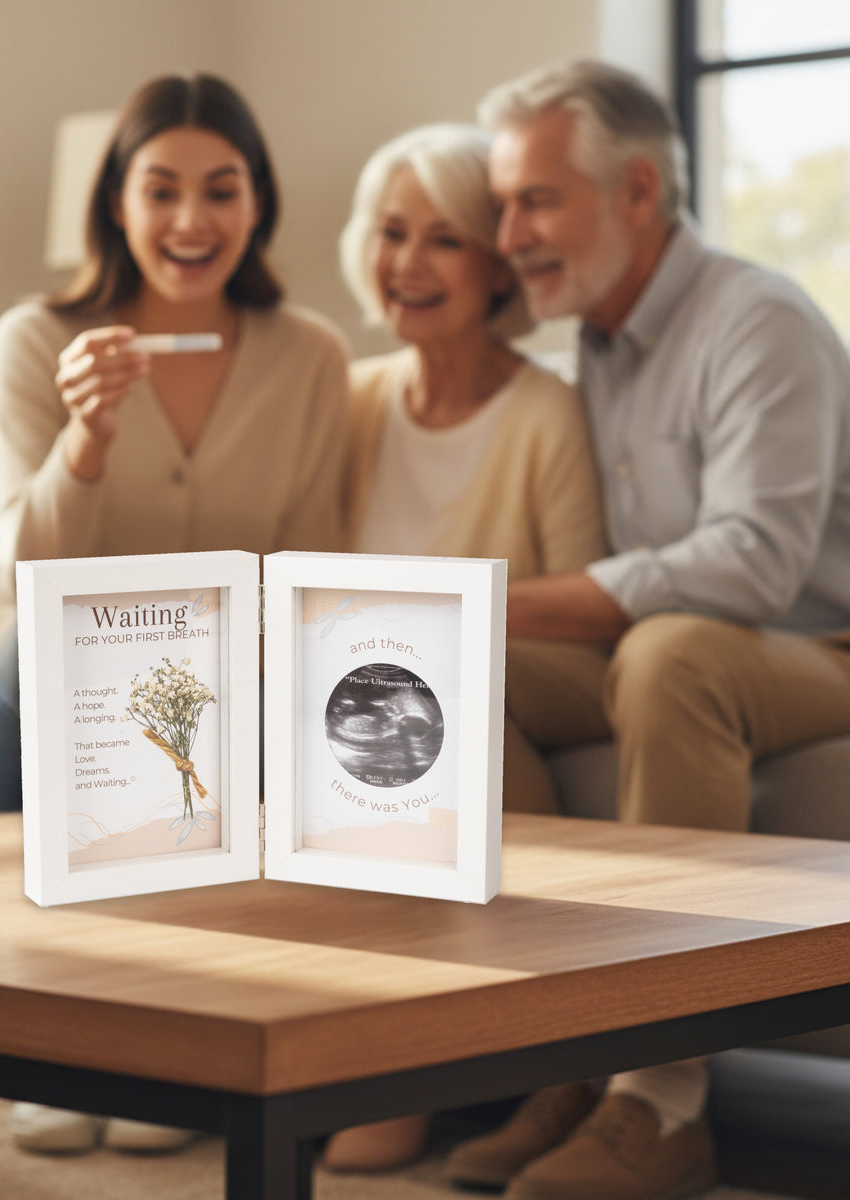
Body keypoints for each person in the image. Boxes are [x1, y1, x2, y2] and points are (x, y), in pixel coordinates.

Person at [436, 59, 850, 1200]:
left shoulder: (756, 321)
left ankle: (663, 1105)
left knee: (669, 656)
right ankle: (563, 1055)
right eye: (504, 206)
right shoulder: (601, 344)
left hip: (825, 645)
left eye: (534, 200)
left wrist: (498, 592)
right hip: (709, 644)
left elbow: (754, 565)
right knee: (470, 665)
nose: (507, 232)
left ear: (636, 194)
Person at [0, 71, 348, 1157]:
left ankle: (154, 1056)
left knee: (193, 733)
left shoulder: (309, 354)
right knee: (60, 651)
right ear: (114, 202)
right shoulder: (36, 339)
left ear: (257, 204)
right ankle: (67, 1054)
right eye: (159, 188)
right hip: (30, 706)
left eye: (221, 190)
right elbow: (28, 565)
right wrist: (85, 437)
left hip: (212, 707)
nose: (189, 220)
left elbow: (309, 565)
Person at [320, 123, 606, 1174]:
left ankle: (412, 1072)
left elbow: (589, 607)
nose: (406, 262)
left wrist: (428, 632)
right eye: (392, 233)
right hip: (365, 696)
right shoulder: (347, 398)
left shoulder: (545, 411)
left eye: (442, 239)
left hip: (522, 677)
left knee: (420, 705)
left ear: (496, 264)